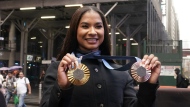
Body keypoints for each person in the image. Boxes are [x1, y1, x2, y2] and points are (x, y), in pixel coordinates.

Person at [40, 6, 161, 107]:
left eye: (98, 26)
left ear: (104, 31)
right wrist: (62, 87)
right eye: (85, 26)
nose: (93, 32)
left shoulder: (122, 74)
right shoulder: (59, 70)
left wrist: (148, 85)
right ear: (75, 31)